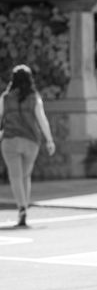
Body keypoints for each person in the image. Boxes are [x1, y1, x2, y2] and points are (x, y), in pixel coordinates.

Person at [0, 65, 56, 227]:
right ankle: (25, 206)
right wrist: (49, 140)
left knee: (15, 176)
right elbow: (42, 119)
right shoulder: (34, 97)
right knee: (25, 175)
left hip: (10, 140)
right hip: (31, 141)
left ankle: (22, 208)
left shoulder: (5, 97)